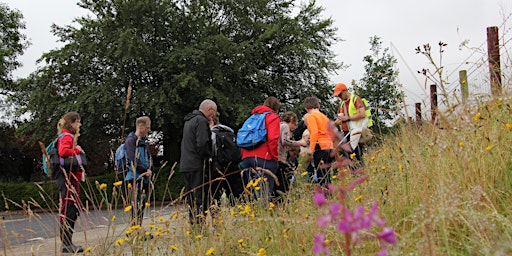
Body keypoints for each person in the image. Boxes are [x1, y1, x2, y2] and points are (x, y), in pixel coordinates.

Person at [180, 99, 217, 225]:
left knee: (191, 198)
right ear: (209, 110)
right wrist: (208, 156)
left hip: (186, 164)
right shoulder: (201, 121)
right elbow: (202, 143)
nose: (213, 116)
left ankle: (193, 224)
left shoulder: (189, 120)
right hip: (197, 164)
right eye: (214, 112)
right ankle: (199, 226)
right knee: (199, 197)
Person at [55, 112, 85, 253]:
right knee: (70, 209)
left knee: (69, 208)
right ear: (72, 122)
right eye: (78, 122)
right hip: (68, 177)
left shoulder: (64, 135)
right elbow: (63, 151)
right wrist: (77, 150)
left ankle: (67, 242)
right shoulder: (67, 136)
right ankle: (67, 243)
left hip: (68, 177)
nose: (79, 125)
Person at [240, 96, 280, 203]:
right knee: (264, 193)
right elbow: (272, 139)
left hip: (247, 158)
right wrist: (275, 157)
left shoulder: (251, 118)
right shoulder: (273, 117)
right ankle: (263, 216)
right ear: (276, 108)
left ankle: (253, 215)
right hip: (264, 158)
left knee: (253, 191)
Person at [124, 116, 153, 226]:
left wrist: (150, 169)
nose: (148, 130)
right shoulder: (131, 141)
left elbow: (148, 157)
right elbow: (133, 159)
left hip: (144, 178)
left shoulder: (143, 142)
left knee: (141, 205)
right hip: (134, 178)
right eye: (147, 127)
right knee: (135, 205)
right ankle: (134, 230)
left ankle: (138, 228)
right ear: (140, 126)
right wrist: (145, 170)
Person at [210, 113, 244, 207]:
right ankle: (239, 212)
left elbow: (212, 151)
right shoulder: (229, 131)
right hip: (233, 166)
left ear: (211, 121)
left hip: (218, 167)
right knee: (235, 194)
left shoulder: (212, 133)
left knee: (215, 195)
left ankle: (216, 216)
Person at [333, 82, 367, 166]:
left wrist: (347, 118)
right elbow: (339, 119)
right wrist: (333, 124)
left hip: (356, 131)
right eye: (338, 96)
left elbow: (362, 114)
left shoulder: (355, 99)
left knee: (356, 153)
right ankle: (354, 172)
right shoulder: (341, 104)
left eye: (340, 94)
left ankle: (361, 171)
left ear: (345, 91)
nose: (339, 97)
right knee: (348, 154)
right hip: (346, 132)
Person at [274, 111, 306, 197]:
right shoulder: (285, 126)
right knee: (284, 184)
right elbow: (285, 141)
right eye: (294, 124)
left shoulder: (278, 125)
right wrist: (299, 143)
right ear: (291, 120)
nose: (294, 127)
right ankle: (283, 201)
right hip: (280, 158)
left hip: (275, 157)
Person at [304, 97, 334, 188]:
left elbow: (314, 132)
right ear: (318, 106)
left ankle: (324, 197)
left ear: (306, 108)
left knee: (321, 175)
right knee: (327, 174)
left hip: (320, 146)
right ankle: (329, 195)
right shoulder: (324, 117)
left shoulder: (311, 116)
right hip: (329, 146)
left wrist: (311, 149)